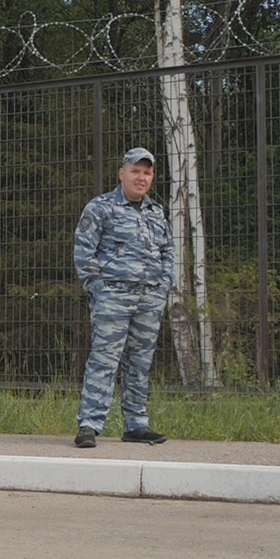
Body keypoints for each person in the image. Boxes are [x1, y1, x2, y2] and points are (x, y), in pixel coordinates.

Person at [72, 147, 176, 448]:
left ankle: (136, 424)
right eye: (135, 171)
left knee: (140, 363)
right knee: (104, 360)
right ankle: (89, 424)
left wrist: (164, 285)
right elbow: (83, 251)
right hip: (112, 298)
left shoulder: (157, 212)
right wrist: (99, 289)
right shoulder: (100, 208)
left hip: (149, 300)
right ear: (122, 173)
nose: (141, 177)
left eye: (147, 172)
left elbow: (168, 251)